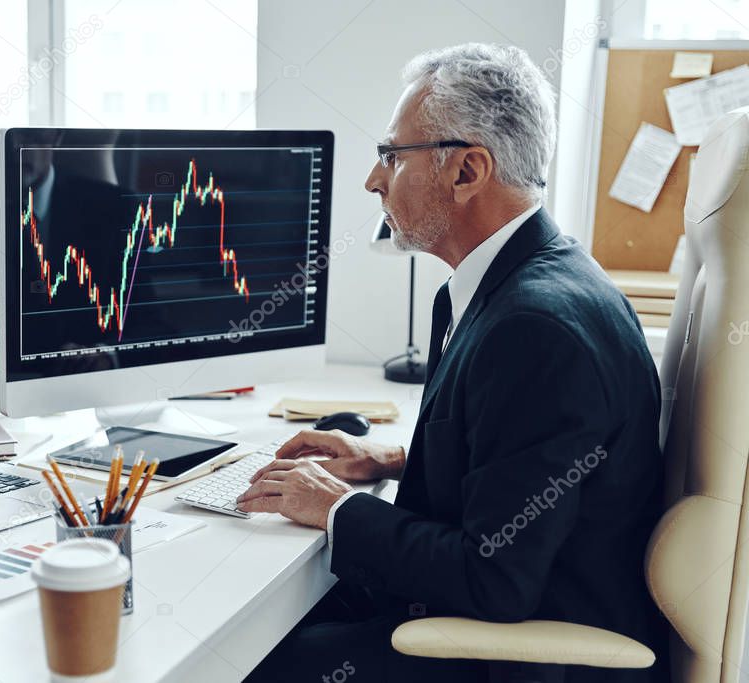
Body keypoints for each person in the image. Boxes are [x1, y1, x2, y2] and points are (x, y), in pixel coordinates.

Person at [239, 43, 668, 683]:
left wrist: (334, 507)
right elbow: (524, 469)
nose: (373, 179)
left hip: (528, 654)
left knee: (249, 658)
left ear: (468, 171)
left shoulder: (534, 328)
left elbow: (493, 577)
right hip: (509, 613)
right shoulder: (520, 281)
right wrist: (389, 461)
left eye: (392, 155)